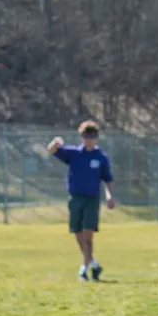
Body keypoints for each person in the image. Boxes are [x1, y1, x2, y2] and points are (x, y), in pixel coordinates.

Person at [47, 120, 115, 282]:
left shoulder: (101, 157)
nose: (88, 139)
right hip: (75, 198)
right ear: (81, 137)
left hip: (91, 199)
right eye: (85, 136)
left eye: (91, 136)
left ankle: (84, 269)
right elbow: (52, 150)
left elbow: (107, 179)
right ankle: (95, 265)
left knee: (88, 235)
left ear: (96, 137)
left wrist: (109, 195)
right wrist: (55, 142)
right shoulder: (74, 154)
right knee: (77, 234)